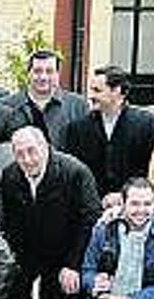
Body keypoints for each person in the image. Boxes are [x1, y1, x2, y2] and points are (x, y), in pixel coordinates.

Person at [1, 126, 101, 299]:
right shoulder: (10, 175)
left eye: (32, 151)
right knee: (12, 273)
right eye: (20, 154)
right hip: (31, 245)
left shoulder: (75, 172)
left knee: (65, 285)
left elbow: (90, 220)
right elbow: (11, 221)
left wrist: (73, 264)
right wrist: (9, 259)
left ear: (45, 147)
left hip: (68, 246)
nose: (27, 159)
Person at [64, 65, 154, 202]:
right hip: (91, 206)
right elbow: (74, 173)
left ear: (116, 91)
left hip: (133, 206)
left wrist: (123, 195)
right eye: (91, 90)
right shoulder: (77, 128)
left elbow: (148, 171)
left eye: (97, 90)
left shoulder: (146, 124)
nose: (91, 96)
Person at [3, 50, 88, 150]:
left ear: (57, 74)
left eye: (49, 71)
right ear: (28, 74)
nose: (43, 77)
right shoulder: (6, 106)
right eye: (37, 71)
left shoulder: (77, 106)